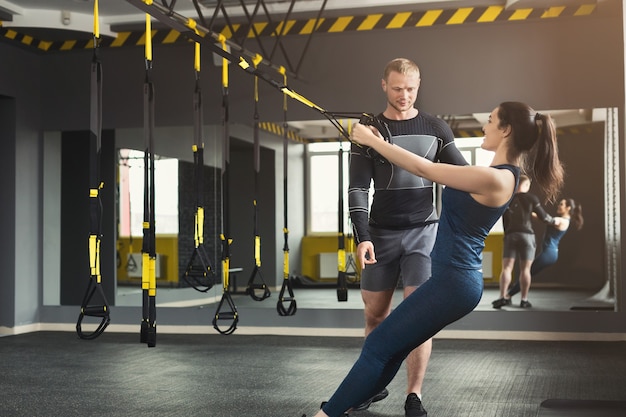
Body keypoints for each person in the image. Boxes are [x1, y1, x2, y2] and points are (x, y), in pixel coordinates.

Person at [302, 101, 564, 417]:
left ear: (506, 129)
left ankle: (326, 414)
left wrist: (374, 142)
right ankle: (346, 404)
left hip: (453, 282)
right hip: (453, 280)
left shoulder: (497, 179)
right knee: (392, 348)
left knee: (378, 346)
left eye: (491, 120)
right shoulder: (493, 175)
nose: (485, 125)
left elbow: (424, 168)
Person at [347, 57, 467, 417]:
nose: (404, 95)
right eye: (397, 88)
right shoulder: (368, 131)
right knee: (376, 315)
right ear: (384, 85)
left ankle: (413, 395)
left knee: (419, 317)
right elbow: (356, 188)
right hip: (380, 236)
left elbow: (461, 175)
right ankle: (370, 386)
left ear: (419, 86)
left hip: (423, 235)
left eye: (411, 88)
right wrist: (363, 236)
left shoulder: (435, 127)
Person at [492, 174, 557, 309]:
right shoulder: (532, 198)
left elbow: (503, 219)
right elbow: (544, 217)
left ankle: (502, 297)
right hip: (527, 236)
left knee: (507, 268)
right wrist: (555, 222)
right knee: (525, 269)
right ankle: (524, 300)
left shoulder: (506, 199)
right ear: (526, 185)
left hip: (511, 235)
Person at [505, 198, 584, 305]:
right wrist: (528, 211)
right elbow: (540, 218)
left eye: (561, 204)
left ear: (568, 208)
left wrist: (528, 208)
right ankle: (511, 296)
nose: (558, 206)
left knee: (527, 272)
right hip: (549, 253)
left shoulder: (562, 221)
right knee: (527, 272)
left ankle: (509, 296)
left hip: (549, 254)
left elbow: (545, 219)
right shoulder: (563, 220)